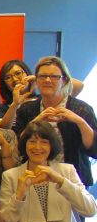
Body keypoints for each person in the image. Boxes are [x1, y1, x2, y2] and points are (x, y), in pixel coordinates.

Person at [12, 56, 97, 187]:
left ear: (64, 80)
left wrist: (80, 122)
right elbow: (17, 147)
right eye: (42, 76)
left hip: (74, 182)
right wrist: (36, 121)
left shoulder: (81, 109)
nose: (47, 80)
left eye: (54, 77)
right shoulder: (27, 109)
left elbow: (94, 149)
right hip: (35, 179)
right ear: (36, 80)